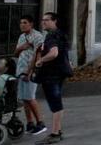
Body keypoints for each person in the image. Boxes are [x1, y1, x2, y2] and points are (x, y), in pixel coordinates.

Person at [35, 12, 72, 144]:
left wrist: (41, 60)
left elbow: (54, 53)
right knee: (56, 102)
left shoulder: (51, 36)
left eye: (47, 20)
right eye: (42, 20)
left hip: (52, 74)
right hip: (59, 73)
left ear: (54, 21)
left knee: (55, 103)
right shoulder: (61, 34)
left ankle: (55, 133)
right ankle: (58, 131)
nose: (43, 22)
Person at [15, 14, 47, 134]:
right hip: (20, 70)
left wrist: (30, 72)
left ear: (31, 24)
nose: (22, 25)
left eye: (25, 23)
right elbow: (16, 53)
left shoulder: (38, 36)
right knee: (24, 98)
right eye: (21, 23)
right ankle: (30, 123)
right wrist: (22, 47)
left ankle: (40, 123)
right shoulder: (22, 36)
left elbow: (38, 55)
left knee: (30, 97)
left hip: (31, 72)